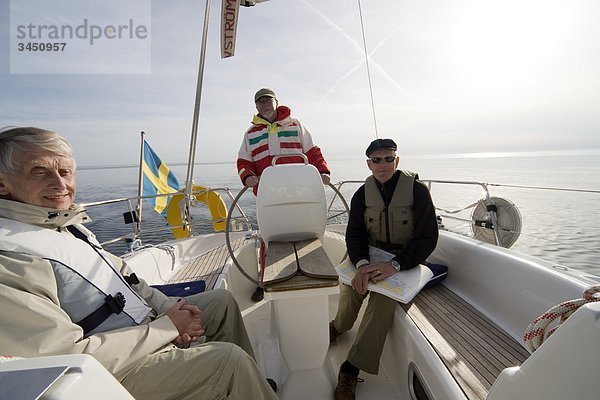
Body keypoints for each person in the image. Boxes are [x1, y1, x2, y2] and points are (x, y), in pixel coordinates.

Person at [0, 127, 278, 400]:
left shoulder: (67, 227)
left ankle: (247, 386)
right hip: (108, 372)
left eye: (65, 172)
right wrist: (167, 329)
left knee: (221, 302)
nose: (60, 185)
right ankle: (237, 381)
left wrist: (168, 308)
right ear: (2, 183)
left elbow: (127, 278)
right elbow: (61, 359)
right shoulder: (10, 259)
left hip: (137, 331)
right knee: (227, 363)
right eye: (39, 171)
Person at [329, 138, 439, 400]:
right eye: (376, 160)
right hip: (368, 255)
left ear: (397, 161)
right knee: (352, 287)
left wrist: (396, 264)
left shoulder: (418, 192)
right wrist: (363, 264)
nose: (383, 165)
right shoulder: (360, 195)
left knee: (382, 302)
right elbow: (354, 235)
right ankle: (339, 326)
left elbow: (427, 237)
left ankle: (350, 369)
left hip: (404, 260)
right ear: (369, 164)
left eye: (388, 158)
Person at [237, 88, 331, 193]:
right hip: (267, 192)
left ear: (276, 102)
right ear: (256, 107)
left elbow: (312, 152)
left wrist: (323, 171)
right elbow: (243, 162)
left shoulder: (295, 125)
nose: (265, 105)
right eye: (261, 102)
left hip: (300, 189)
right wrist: (248, 176)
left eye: (268, 100)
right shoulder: (250, 134)